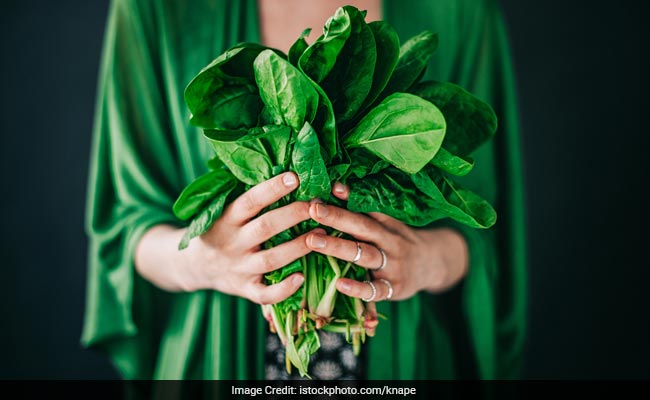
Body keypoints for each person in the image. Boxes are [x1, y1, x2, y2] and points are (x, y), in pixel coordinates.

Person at [82, 0, 526, 382]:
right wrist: (206, 261)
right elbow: (124, 227)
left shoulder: (461, 11)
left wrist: (427, 259)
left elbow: (486, 229)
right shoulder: (156, 8)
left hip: (407, 364)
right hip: (214, 361)